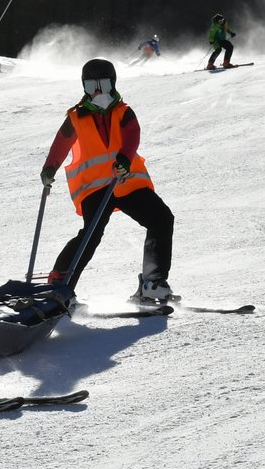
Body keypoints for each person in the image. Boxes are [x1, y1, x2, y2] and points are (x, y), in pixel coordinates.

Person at [40, 58, 177, 305]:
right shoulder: (76, 117)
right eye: (92, 86)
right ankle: (59, 287)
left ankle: (153, 282)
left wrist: (124, 158)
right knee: (90, 236)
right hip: (95, 188)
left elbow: (132, 135)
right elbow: (61, 143)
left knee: (161, 218)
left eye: (103, 84)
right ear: (84, 87)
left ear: (113, 84)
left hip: (127, 183)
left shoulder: (124, 112)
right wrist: (50, 167)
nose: (99, 92)